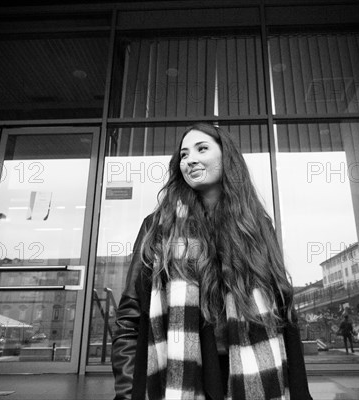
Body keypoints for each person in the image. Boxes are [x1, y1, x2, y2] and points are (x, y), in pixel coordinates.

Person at [112, 123, 313, 400]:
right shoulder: (158, 226)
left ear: (226, 157)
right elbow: (130, 317)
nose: (190, 159)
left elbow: (282, 311)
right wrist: (127, 391)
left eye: (201, 149)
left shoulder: (255, 226)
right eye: (183, 155)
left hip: (250, 376)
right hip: (178, 379)